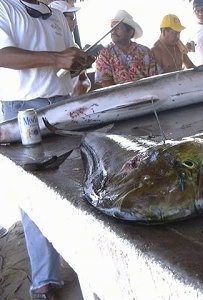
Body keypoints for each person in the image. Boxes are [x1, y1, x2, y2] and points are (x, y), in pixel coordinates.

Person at [0, 0, 93, 299]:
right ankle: (45, 280)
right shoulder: (5, 7)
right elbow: (2, 54)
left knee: (78, 183)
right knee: (35, 193)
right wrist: (56, 58)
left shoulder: (55, 15)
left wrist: (77, 62)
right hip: (23, 111)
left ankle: (88, 265)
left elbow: (67, 60)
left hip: (61, 106)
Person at [95, 10, 157, 87]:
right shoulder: (105, 53)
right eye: (112, 27)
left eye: (117, 28)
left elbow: (154, 79)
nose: (113, 31)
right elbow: (105, 81)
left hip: (145, 95)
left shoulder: (145, 52)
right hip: (118, 97)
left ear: (130, 32)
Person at [49, 0, 91, 97]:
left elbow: (83, 79)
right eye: (71, 18)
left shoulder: (74, 46)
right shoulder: (49, 47)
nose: (75, 23)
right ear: (58, 19)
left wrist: (84, 63)